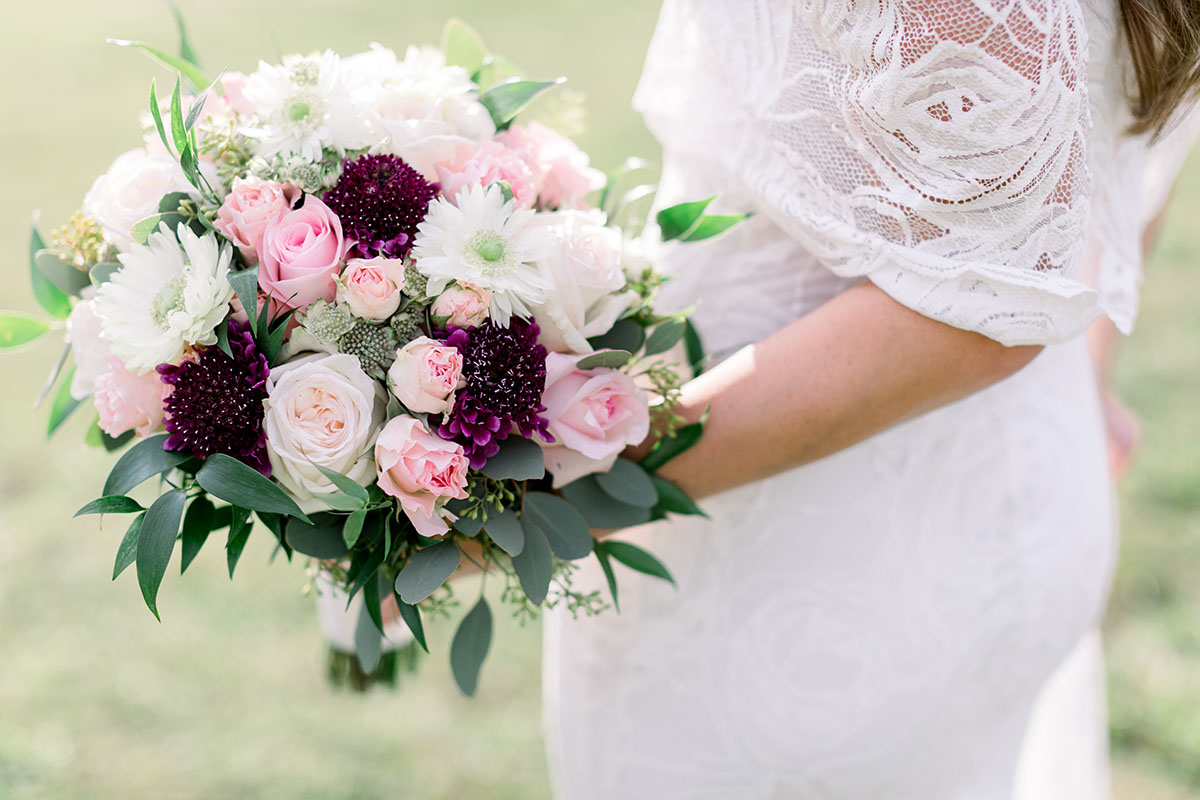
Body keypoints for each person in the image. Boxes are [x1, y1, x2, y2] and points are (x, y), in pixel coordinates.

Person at [541, 2, 1200, 798]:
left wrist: (555, 494)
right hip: (1007, 471)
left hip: (784, 563)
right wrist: (1090, 371)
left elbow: (975, 316)